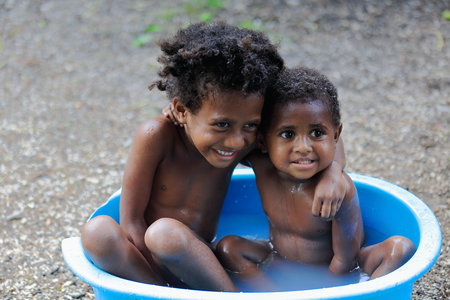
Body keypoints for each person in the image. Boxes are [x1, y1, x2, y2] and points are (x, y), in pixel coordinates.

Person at [81, 22, 344, 292]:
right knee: (98, 232)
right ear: (182, 110)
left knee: (166, 235)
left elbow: (320, 130)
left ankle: (229, 297)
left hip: (198, 261)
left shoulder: (244, 143)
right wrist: (157, 284)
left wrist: (334, 173)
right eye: (221, 124)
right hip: (145, 265)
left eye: (251, 125)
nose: (236, 140)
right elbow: (132, 221)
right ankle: (162, 296)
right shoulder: (156, 135)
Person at [215, 67, 416, 287]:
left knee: (400, 247)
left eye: (317, 133)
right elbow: (226, 140)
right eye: (288, 134)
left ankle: (368, 293)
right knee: (228, 247)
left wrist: (326, 290)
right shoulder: (262, 165)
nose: (303, 147)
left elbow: (345, 259)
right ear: (263, 141)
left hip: (340, 265)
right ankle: (267, 293)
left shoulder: (337, 190)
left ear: (335, 136)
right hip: (277, 256)